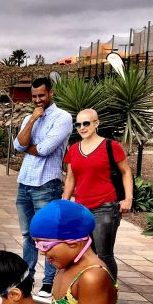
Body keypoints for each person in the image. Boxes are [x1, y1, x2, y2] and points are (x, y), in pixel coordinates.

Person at [13, 77, 73, 298]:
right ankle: (26, 279)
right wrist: (32, 122)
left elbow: (46, 149)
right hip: (25, 183)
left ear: (51, 93)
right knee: (28, 234)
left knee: (47, 236)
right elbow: (17, 145)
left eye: (41, 95)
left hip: (46, 184)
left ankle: (48, 281)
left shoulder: (63, 118)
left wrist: (27, 146)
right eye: (34, 96)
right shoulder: (31, 117)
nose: (37, 100)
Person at [62, 108, 133, 279]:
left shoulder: (110, 146)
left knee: (104, 255)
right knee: (84, 254)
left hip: (106, 207)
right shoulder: (73, 149)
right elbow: (71, 179)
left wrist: (128, 199)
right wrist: (64, 203)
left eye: (86, 123)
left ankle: (109, 295)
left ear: (96, 123)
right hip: (81, 209)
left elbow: (126, 172)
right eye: (78, 124)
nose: (82, 127)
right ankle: (90, 289)